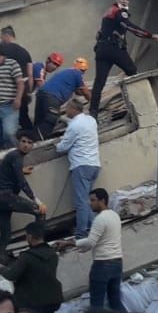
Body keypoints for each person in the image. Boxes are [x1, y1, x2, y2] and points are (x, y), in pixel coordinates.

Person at [88, 0, 158, 116]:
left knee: (99, 82)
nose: (125, 1)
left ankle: (93, 112)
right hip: (114, 49)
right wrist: (151, 35)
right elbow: (131, 27)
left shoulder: (108, 12)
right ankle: (144, 104)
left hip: (102, 50)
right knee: (133, 73)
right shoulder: (119, 12)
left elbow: (99, 33)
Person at [0, 222, 68, 313]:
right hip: (52, 296)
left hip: (33, 300)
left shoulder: (27, 257)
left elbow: (12, 275)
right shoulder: (52, 253)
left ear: (30, 237)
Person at [0, 131, 46, 261]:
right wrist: (37, 201)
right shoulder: (16, 156)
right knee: (40, 212)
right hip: (6, 196)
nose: (26, 145)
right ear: (18, 142)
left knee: (6, 234)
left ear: (32, 145)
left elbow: (8, 171)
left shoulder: (14, 156)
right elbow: (22, 183)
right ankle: (38, 247)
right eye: (23, 141)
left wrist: (21, 171)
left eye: (29, 143)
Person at [55, 96, 101, 237]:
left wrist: (56, 144)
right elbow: (77, 123)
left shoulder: (74, 127)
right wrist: (63, 118)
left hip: (81, 167)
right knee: (86, 201)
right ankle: (95, 229)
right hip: (94, 165)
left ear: (73, 109)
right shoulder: (91, 120)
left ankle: (81, 233)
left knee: (81, 202)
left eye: (67, 108)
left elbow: (62, 147)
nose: (66, 111)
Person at [74, 188, 124, 312]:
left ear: (102, 200)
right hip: (117, 263)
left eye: (93, 200)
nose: (90, 203)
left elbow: (90, 242)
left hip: (102, 265)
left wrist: (72, 243)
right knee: (115, 301)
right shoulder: (115, 215)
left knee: (96, 306)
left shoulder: (100, 219)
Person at [34, 52, 85, 136]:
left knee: (39, 122)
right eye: (54, 63)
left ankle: (33, 138)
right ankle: (39, 139)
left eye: (57, 65)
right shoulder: (39, 68)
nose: (55, 67)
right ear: (48, 60)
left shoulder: (65, 74)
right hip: (50, 97)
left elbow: (78, 91)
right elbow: (84, 91)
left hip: (41, 95)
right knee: (50, 121)